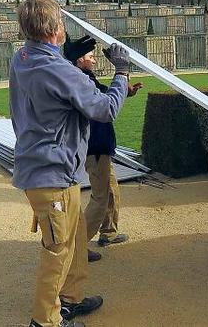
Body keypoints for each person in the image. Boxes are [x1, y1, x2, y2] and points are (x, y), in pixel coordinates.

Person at [9, 0, 132, 327]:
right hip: (53, 176)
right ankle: (45, 320)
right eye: (61, 22)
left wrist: (69, 56)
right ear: (54, 28)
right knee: (57, 251)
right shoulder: (60, 70)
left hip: (50, 170)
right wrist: (121, 73)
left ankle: (71, 298)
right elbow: (105, 109)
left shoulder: (21, 57)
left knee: (75, 237)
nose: (64, 27)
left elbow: (49, 76)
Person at [63, 35, 143, 263]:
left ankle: (108, 232)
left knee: (111, 191)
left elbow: (104, 95)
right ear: (80, 61)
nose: (95, 60)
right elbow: (103, 104)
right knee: (101, 196)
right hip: (95, 148)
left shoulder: (83, 78)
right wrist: (121, 71)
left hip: (99, 146)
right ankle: (78, 246)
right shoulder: (80, 80)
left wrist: (125, 91)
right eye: (90, 57)